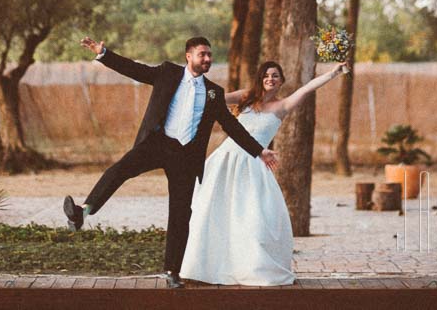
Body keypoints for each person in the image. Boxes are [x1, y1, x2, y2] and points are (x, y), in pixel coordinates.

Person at [63, 36, 280, 289]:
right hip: (158, 143)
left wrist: (259, 151)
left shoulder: (214, 92)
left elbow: (232, 127)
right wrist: (104, 54)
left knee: (180, 214)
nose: (207, 59)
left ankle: (172, 271)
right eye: (202, 54)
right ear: (189, 56)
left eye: (209, 55)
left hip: (187, 157)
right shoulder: (167, 73)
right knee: (120, 170)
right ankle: (83, 211)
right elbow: (135, 69)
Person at [180, 60, 349, 286]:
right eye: (266, 75)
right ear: (261, 79)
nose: (270, 79)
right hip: (226, 159)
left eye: (275, 76)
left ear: (281, 81)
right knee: (214, 211)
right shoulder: (246, 97)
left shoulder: (283, 106)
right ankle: (203, 267)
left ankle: (251, 267)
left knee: (254, 217)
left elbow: (308, 88)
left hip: (253, 165)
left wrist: (333, 73)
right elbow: (212, 98)